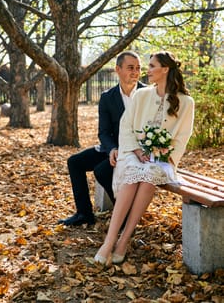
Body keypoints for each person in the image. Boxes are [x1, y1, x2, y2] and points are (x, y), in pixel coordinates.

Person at [94, 50, 194, 264]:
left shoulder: (186, 102)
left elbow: (183, 137)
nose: (145, 71)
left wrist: (165, 155)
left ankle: (124, 240)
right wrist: (137, 151)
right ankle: (109, 241)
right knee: (132, 175)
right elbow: (126, 126)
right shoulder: (141, 95)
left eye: (151, 66)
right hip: (134, 152)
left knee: (149, 178)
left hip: (163, 159)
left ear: (165, 69)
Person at [58, 51, 146, 226]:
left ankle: (124, 214)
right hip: (114, 148)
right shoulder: (107, 97)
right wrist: (112, 149)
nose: (135, 72)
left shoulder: (147, 94)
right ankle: (84, 213)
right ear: (117, 69)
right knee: (74, 162)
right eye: (130, 68)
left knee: (102, 170)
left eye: (138, 68)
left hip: (137, 151)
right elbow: (104, 132)